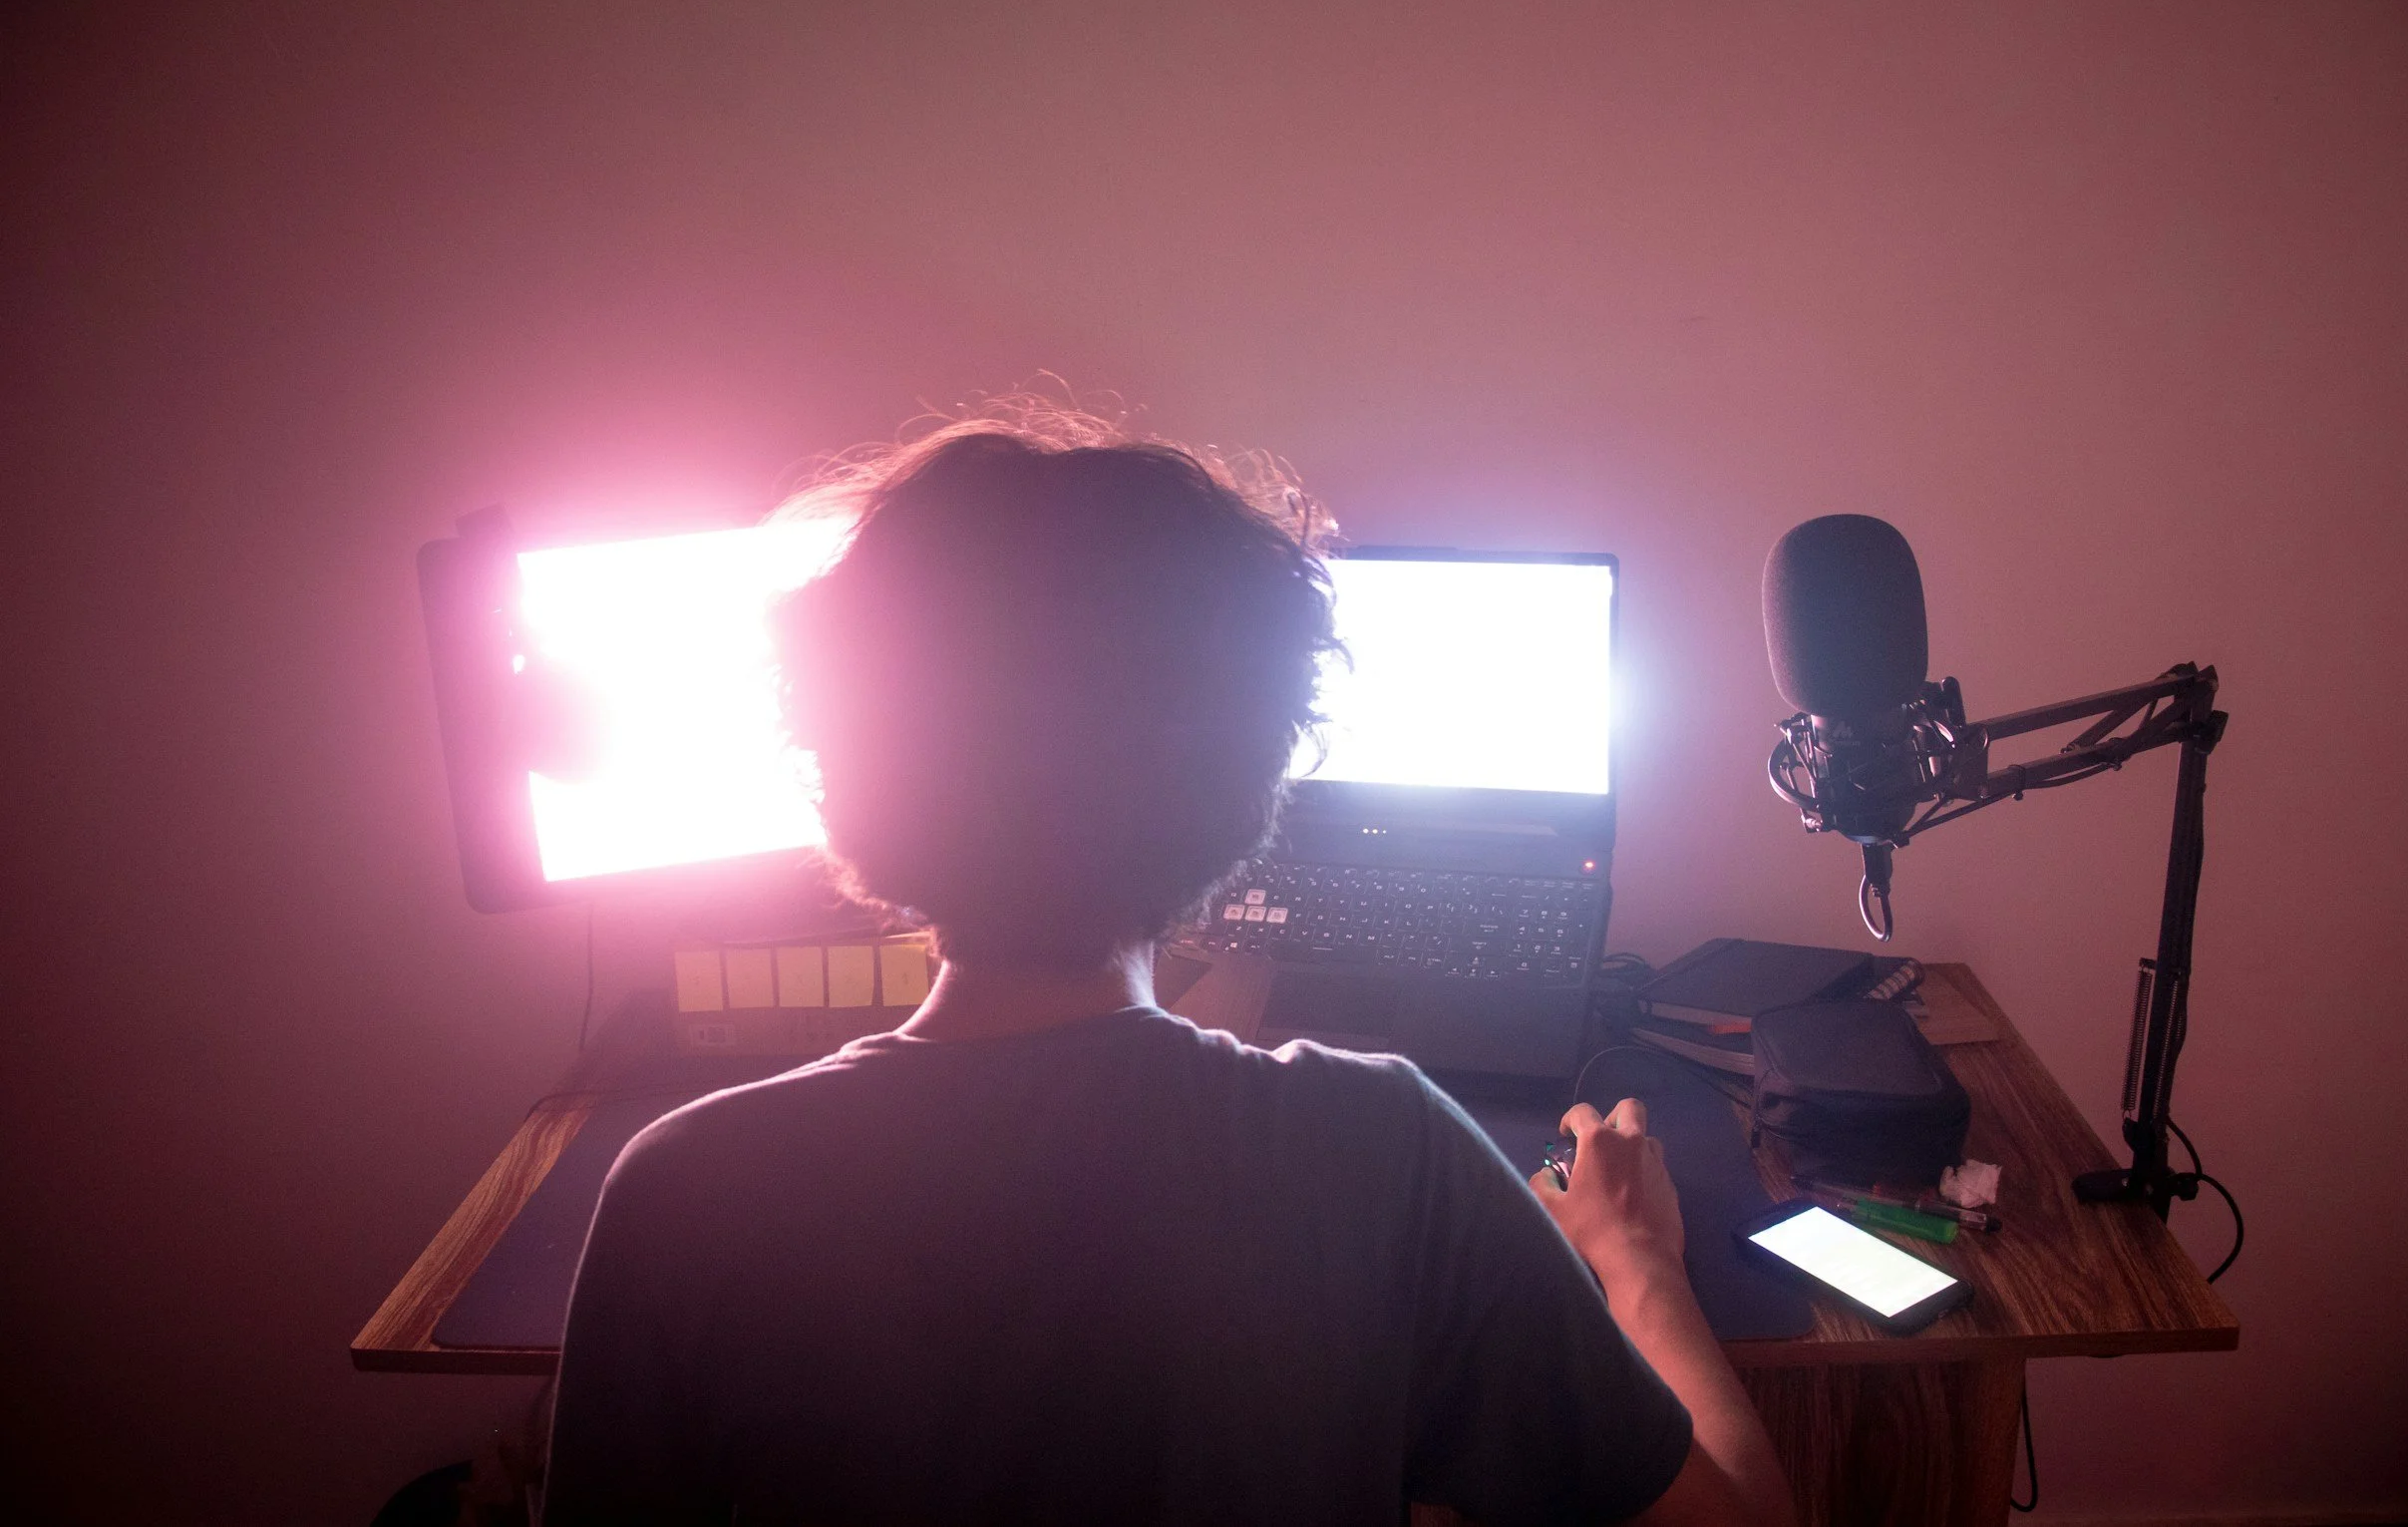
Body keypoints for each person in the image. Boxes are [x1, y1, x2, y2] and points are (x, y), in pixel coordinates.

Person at [543, 400, 1798, 1526]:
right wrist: (1638, 1259)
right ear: (1252, 785)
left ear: (838, 769)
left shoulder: (682, 1190)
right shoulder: (1384, 1147)